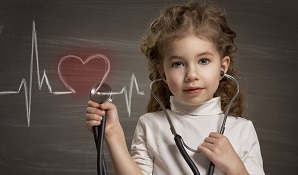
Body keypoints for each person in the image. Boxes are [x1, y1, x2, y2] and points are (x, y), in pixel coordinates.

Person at [85, 1, 265, 175]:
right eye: (178, 64)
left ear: (222, 67)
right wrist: (113, 133)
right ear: (163, 73)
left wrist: (235, 167)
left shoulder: (242, 130)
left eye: (203, 61)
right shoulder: (150, 125)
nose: (191, 75)